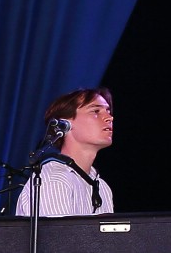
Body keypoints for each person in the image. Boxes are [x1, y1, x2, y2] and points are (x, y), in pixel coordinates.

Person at [14, 88, 114, 217]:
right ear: (64, 125)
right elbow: (57, 231)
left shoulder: (102, 187)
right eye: (95, 111)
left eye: (108, 111)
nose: (109, 117)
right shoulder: (56, 179)